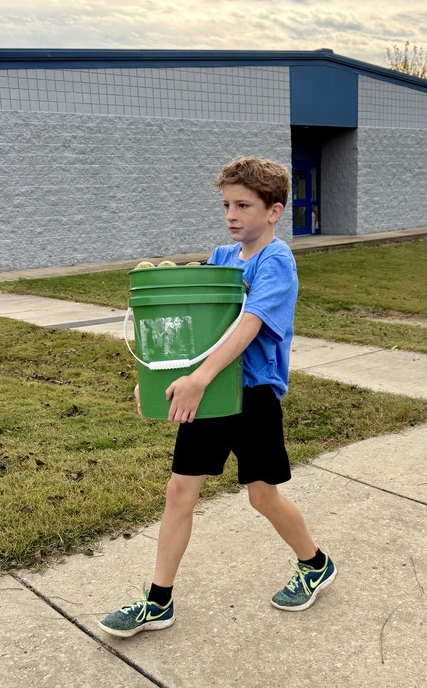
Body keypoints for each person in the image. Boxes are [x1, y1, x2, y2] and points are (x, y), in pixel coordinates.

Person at [98, 157, 335, 637]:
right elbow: (194, 329)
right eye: (227, 204)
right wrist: (154, 381)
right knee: (179, 492)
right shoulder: (222, 259)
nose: (231, 214)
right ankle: (158, 602)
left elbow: (247, 328)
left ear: (274, 210)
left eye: (243, 205)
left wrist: (200, 379)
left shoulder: (277, 262)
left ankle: (314, 563)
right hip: (207, 392)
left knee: (262, 496)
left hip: (253, 397)